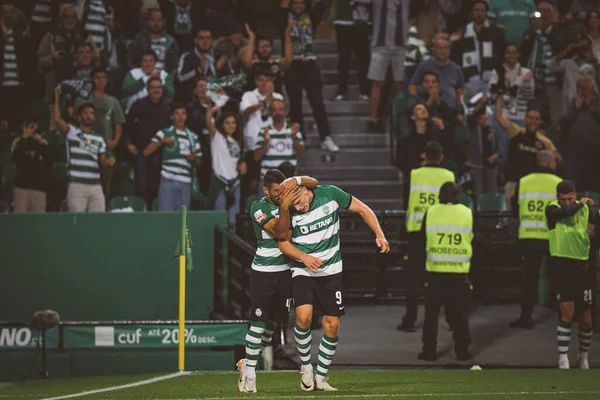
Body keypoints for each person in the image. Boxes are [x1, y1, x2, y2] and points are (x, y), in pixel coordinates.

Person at [278, 184, 390, 391]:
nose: (298, 207)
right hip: (303, 271)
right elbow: (283, 242)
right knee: (303, 318)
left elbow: (364, 209)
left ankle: (321, 377)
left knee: (333, 325)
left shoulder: (330, 194)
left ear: (303, 190)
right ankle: (306, 368)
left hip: (331, 271)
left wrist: (379, 234)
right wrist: (304, 257)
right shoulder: (289, 210)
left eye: (298, 202)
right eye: (292, 204)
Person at [236, 169, 318, 393]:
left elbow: (315, 183)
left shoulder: (288, 199)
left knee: (273, 326)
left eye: (283, 190)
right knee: (258, 322)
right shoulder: (258, 207)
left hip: (286, 272)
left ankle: (246, 361)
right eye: (276, 191)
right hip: (263, 272)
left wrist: (297, 181)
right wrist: (285, 207)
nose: (281, 194)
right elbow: (282, 234)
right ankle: (250, 376)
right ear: (266, 190)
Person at [399, 141, 455, 332]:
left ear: (425, 156)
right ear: (441, 156)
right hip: (441, 230)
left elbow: (406, 199)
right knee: (444, 276)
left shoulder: (415, 174)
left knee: (414, 280)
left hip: (417, 232)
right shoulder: (449, 176)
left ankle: (410, 320)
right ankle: (451, 320)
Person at [418, 182, 474, 361]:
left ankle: (429, 351)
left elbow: (422, 239)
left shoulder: (431, 212)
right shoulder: (466, 212)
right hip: (459, 273)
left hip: (435, 272)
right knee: (460, 315)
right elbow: (473, 239)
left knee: (431, 316)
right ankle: (462, 351)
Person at [546, 180, 594, 369]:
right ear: (557, 197)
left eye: (570, 199)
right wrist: (579, 203)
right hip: (561, 264)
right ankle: (563, 359)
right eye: (563, 199)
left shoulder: (589, 210)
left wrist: (595, 233)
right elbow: (565, 212)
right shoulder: (552, 209)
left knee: (586, 317)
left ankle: (583, 357)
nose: (566, 202)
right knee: (567, 311)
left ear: (575, 194)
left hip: (583, 266)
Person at [510, 150, 561, 329]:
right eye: (554, 161)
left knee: (529, 280)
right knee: (558, 276)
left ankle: (526, 317)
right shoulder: (559, 183)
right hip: (552, 237)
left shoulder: (523, 181)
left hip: (529, 236)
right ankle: (564, 315)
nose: (556, 164)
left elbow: (514, 208)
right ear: (548, 163)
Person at [54, 85, 115, 212]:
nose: (89, 115)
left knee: (98, 223)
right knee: (77, 223)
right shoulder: (71, 132)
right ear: (80, 116)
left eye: (91, 113)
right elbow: (57, 119)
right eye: (86, 113)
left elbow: (103, 162)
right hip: (77, 185)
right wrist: (56, 96)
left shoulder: (99, 139)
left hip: (96, 186)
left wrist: (109, 162)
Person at [74, 67, 126, 198]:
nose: (100, 81)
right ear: (92, 79)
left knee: (105, 186)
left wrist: (115, 142)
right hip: (85, 148)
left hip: (106, 149)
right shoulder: (83, 100)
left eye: (103, 78)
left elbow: (118, 125)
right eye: (97, 77)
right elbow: (75, 123)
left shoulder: (113, 101)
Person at [143, 103, 202, 211]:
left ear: (187, 116)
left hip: (186, 182)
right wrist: (162, 142)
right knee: (166, 218)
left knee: (182, 219)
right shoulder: (164, 133)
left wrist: (194, 158)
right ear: (171, 116)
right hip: (168, 180)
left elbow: (199, 162)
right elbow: (146, 152)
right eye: (177, 114)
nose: (180, 117)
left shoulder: (193, 137)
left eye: (183, 114)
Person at [205, 104, 246, 231]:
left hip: (235, 183)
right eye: (227, 122)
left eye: (233, 123)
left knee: (233, 220)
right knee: (220, 218)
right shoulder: (217, 137)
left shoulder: (238, 142)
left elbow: (237, 162)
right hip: (220, 181)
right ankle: (219, 248)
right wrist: (212, 110)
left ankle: (231, 249)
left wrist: (243, 166)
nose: (231, 125)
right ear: (221, 124)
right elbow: (208, 121)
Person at [254, 100, 303, 194]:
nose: (278, 113)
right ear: (270, 113)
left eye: (280, 110)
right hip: (268, 181)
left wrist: (293, 136)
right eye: (274, 110)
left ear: (285, 112)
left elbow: (300, 152)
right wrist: (266, 141)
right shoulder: (264, 131)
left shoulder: (293, 129)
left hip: (289, 181)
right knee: (266, 208)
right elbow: (256, 157)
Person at [11, 120, 60, 213]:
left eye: (34, 127)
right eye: (30, 127)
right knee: (19, 221)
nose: (32, 130)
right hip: (21, 188)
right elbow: (15, 157)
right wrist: (23, 138)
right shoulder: (19, 142)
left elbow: (56, 157)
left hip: (39, 189)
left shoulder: (42, 144)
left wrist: (42, 141)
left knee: (37, 222)